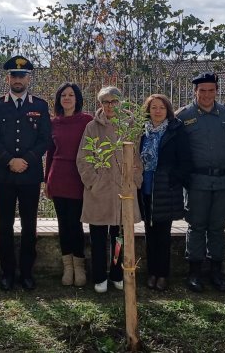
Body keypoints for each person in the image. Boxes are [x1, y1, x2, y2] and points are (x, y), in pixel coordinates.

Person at [0, 55, 51, 291]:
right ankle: (7, 273)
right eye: (14, 75)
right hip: (3, 175)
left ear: (28, 79)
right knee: (4, 226)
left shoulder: (40, 106)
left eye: (22, 76)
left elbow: (44, 139)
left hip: (30, 175)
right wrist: (9, 160)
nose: (18, 79)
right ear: (8, 78)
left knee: (29, 226)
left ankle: (26, 273)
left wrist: (26, 161)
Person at [176, 73, 225, 292]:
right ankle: (194, 272)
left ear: (216, 91)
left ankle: (216, 271)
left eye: (210, 90)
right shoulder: (183, 116)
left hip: (223, 181)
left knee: (217, 227)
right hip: (197, 181)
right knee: (196, 226)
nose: (206, 94)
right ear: (195, 91)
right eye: (202, 90)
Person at [76, 86, 142, 293]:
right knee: (97, 237)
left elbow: (138, 156)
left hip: (124, 190)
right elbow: (83, 159)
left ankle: (116, 274)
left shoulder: (131, 126)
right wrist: (93, 182)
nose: (110, 106)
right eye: (105, 102)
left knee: (119, 236)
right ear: (100, 104)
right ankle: (99, 276)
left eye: (114, 101)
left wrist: (135, 180)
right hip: (100, 192)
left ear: (121, 103)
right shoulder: (92, 127)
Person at [138, 94, 192, 291]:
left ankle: (162, 275)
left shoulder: (175, 130)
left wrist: (173, 179)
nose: (157, 111)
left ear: (167, 110)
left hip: (166, 187)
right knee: (149, 234)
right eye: (153, 107)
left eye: (161, 107)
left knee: (163, 235)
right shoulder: (141, 131)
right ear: (148, 110)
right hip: (145, 187)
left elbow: (185, 160)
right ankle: (151, 273)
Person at [45, 82, 92, 287]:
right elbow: (49, 154)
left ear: (77, 98)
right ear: (58, 99)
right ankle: (68, 267)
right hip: (58, 176)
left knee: (76, 224)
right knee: (63, 225)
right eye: (63, 95)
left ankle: (80, 266)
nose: (67, 98)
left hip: (78, 176)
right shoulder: (53, 123)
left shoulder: (87, 121)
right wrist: (46, 180)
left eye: (71, 94)